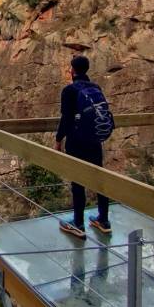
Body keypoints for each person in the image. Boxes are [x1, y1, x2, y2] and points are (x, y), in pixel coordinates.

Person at [55, 55, 114, 237]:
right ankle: (103, 219)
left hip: (76, 141)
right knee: (99, 178)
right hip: (95, 140)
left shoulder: (69, 91)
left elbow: (66, 119)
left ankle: (78, 224)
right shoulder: (95, 88)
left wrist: (59, 140)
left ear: (72, 70)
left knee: (78, 182)